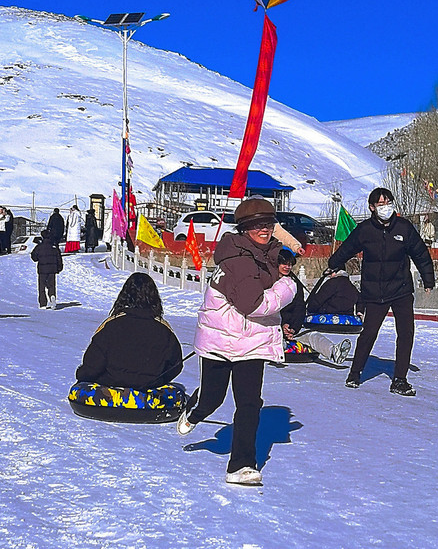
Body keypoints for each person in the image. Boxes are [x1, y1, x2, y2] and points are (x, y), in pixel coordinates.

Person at [177, 197, 297, 487]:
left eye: (268, 224)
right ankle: (195, 412)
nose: (264, 230)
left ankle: (242, 465)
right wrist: (287, 287)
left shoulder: (271, 254)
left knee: (249, 403)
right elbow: (253, 304)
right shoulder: (238, 261)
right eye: (256, 225)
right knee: (212, 398)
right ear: (244, 229)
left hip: (251, 342)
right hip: (220, 339)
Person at [327, 188, 435, 397]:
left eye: (388, 203)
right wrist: (333, 265)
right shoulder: (365, 230)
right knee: (369, 333)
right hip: (375, 291)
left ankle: (400, 379)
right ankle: (355, 373)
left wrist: (428, 279)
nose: (386, 207)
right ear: (372, 207)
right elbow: (346, 249)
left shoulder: (403, 228)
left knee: (406, 334)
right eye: (381, 204)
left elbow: (420, 253)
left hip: (401, 289)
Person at [75, 272, 183, 390]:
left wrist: (82, 375)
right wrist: (158, 380)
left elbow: (93, 364)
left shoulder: (111, 325)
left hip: (111, 388)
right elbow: (175, 365)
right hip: (149, 388)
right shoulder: (164, 329)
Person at [278, 249, 351, 365]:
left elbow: (299, 307)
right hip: (272, 327)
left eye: (290, 264)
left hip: (289, 326)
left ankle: (333, 351)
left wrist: (293, 328)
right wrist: (281, 325)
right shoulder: (268, 282)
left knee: (312, 335)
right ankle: (277, 348)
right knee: (275, 338)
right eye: (284, 264)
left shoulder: (294, 284)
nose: (288, 267)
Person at [30, 229, 63, 309]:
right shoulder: (54, 246)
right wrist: (59, 267)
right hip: (52, 270)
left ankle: (43, 303)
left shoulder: (39, 247)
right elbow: (59, 258)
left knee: (42, 287)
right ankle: (52, 296)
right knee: (51, 285)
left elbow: (34, 257)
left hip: (42, 270)